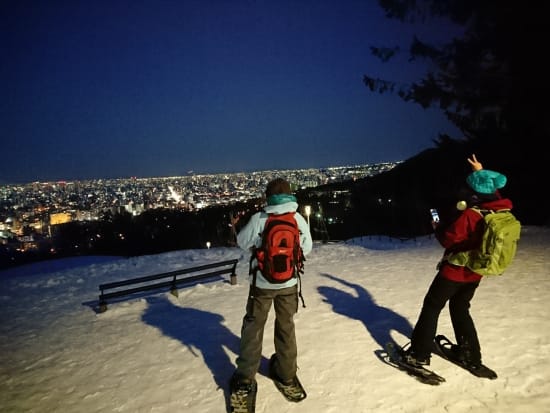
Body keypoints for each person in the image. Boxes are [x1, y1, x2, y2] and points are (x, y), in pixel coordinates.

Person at [403, 154, 513, 376]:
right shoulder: (498, 209)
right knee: (461, 307)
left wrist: (437, 226)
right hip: (476, 272)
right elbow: (492, 190)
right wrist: (480, 171)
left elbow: (449, 239)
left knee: (432, 306)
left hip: (455, 270)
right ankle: (471, 355)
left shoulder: (472, 215)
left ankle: (419, 354)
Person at [230, 178, 313, 394]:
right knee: (286, 326)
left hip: (262, 283)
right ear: (289, 195)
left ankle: (246, 376)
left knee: (254, 326)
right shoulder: (296, 218)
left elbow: (242, 242)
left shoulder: (260, 218)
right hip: (289, 283)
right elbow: (308, 246)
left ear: (269, 196)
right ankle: (286, 373)